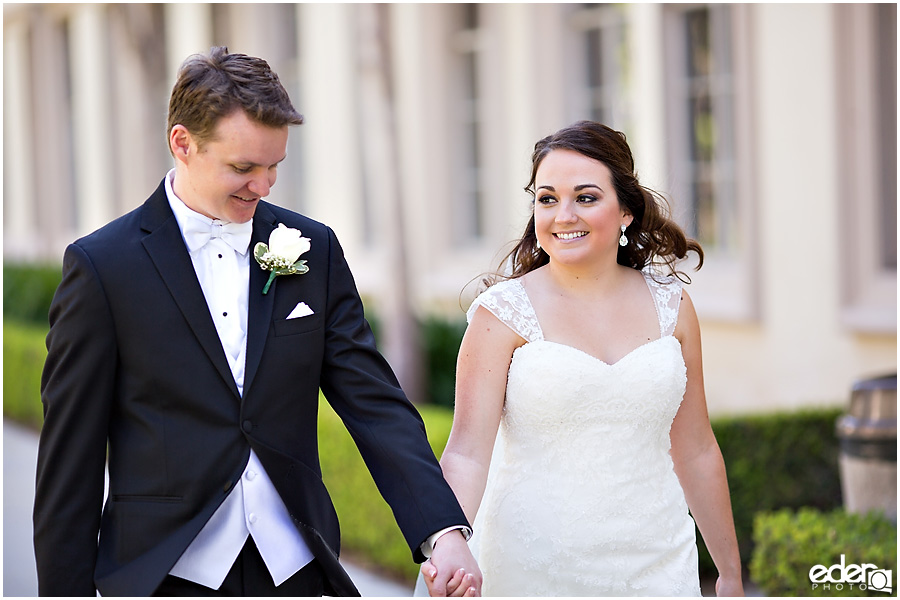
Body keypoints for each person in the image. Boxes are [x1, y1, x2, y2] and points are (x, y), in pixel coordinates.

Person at [33, 46, 481, 597]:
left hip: (297, 567)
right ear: (183, 144)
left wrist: (442, 531)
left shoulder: (311, 248)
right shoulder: (103, 267)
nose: (264, 187)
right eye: (243, 167)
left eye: (274, 167)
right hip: (163, 574)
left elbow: (375, 404)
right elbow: (69, 463)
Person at [424, 121, 744, 596]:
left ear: (626, 212)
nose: (563, 215)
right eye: (547, 199)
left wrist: (731, 576)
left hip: (658, 564)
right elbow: (468, 455)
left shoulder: (671, 306)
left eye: (586, 198)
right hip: (530, 568)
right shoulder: (501, 314)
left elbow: (696, 449)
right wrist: (449, 547)